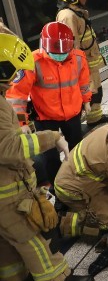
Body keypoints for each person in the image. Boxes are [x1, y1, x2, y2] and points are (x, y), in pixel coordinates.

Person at [0, 33, 95, 281]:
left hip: (69, 116)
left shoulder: (76, 58)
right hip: (6, 191)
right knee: (32, 237)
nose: (17, 76)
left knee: (7, 244)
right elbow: (7, 147)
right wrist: (50, 138)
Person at [6, 22, 91, 185]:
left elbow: (84, 82)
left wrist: (86, 100)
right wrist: (21, 122)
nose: (59, 55)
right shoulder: (32, 62)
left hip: (72, 114)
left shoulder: (78, 58)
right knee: (49, 155)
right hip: (44, 117)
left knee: (76, 149)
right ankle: (57, 185)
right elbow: (17, 95)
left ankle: (79, 179)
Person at [55, 0, 108, 126]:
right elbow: (72, 47)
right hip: (83, 65)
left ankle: (95, 117)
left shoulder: (77, 13)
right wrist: (79, 69)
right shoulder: (68, 16)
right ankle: (82, 121)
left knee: (95, 91)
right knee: (89, 93)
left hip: (89, 62)